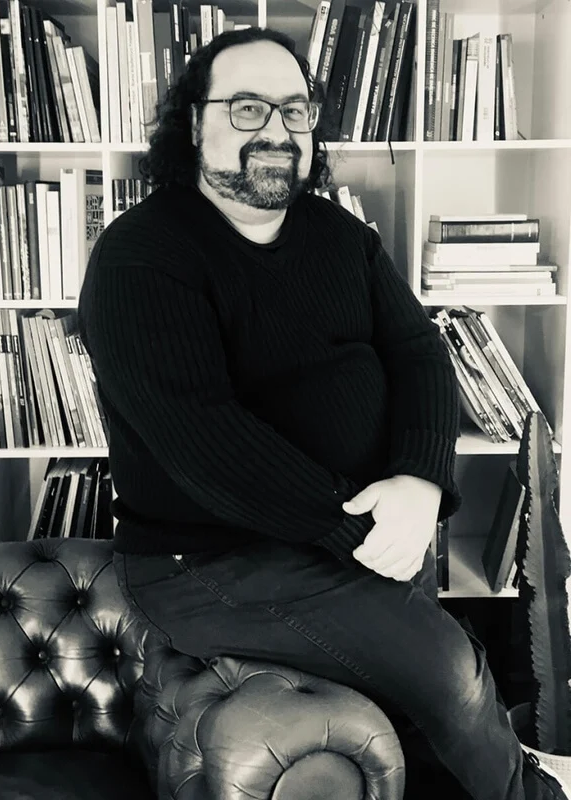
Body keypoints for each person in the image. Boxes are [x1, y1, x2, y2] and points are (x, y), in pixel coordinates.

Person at [77, 26, 569, 800]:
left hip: (352, 538)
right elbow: (205, 441)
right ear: (193, 123)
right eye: (246, 108)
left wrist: (421, 482)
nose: (277, 129)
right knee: (453, 671)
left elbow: (420, 353)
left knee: (429, 697)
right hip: (207, 565)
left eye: (294, 109)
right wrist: (362, 531)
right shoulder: (141, 255)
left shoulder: (340, 236)